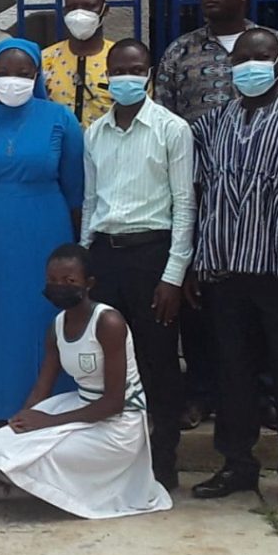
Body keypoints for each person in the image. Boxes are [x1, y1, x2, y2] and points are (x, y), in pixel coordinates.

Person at [155, 0, 278, 429]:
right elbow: (163, 119)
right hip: (205, 196)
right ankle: (203, 392)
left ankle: (263, 396)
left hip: (270, 207)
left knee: (265, 311)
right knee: (202, 306)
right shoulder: (181, 51)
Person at [189, 28, 278, 513]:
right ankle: (237, 463)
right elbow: (198, 194)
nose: (251, 66)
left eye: (262, 57)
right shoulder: (212, 123)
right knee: (233, 373)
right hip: (225, 271)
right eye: (242, 59)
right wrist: (194, 262)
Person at [0, 244, 173, 519]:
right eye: (52, 280)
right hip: (81, 406)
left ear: (89, 283)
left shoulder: (108, 322)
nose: (59, 287)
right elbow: (42, 387)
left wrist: (49, 422)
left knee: (42, 455)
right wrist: (21, 426)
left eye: (69, 281)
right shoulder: (56, 327)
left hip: (118, 424)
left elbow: (114, 403)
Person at [81, 39, 195, 491]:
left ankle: (163, 459)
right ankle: (113, 456)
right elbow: (91, 201)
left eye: (136, 69)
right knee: (107, 361)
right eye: (118, 70)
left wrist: (173, 276)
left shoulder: (172, 129)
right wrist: (85, 259)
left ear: (148, 74)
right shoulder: (95, 132)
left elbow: (185, 205)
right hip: (106, 256)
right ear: (107, 74)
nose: (126, 76)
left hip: (152, 257)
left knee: (158, 360)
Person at [0, 39, 84, 425]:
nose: (12, 80)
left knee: (44, 315)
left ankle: (51, 406)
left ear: (36, 76)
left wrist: (77, 252)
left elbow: (76, 188)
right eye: (2, 73)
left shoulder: (60, 118)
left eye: (22, 73)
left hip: (47, 231)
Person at [40, 0, 113, 128]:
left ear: (104, 10)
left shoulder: (120, 60)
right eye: (72, 7)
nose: (79, 14)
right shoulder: (45, 60)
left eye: (89, 6)